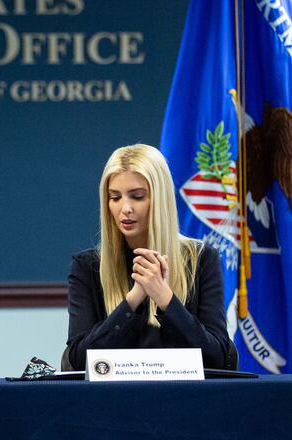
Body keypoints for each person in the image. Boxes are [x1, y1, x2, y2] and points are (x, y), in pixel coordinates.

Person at [64, 144, 231, 371]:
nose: (126, 208)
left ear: (159, 198)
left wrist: (164, 298)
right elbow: (78, 360)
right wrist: (133, 299)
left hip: (186, 400)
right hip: (111, 402)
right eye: (115, 197)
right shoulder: (87, 267)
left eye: (137, 196)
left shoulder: (201, 259)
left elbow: (218, 358)